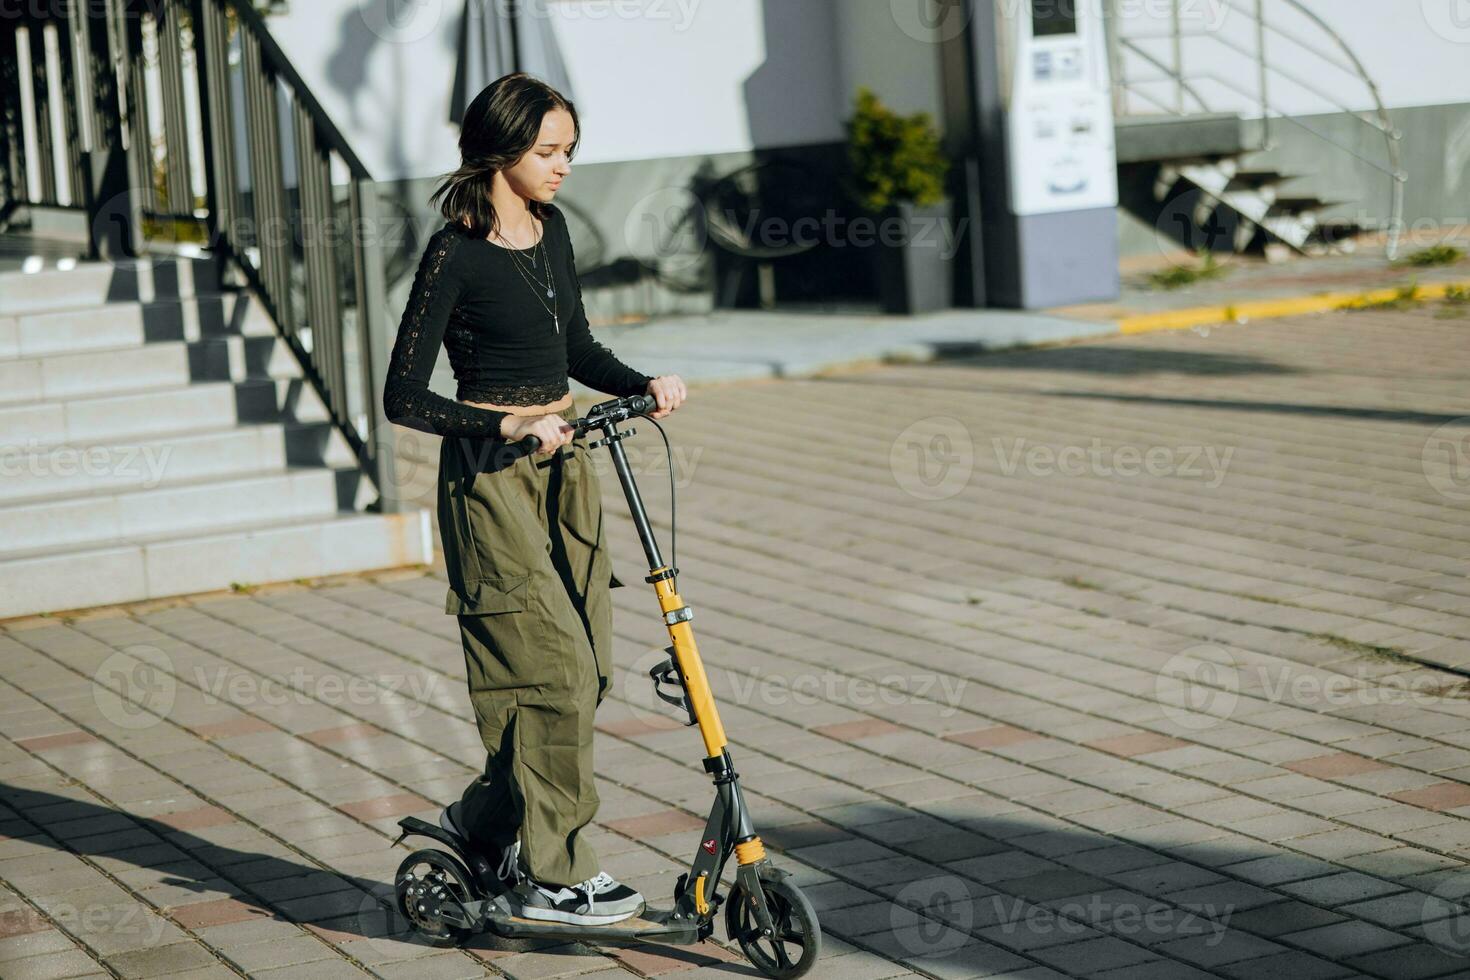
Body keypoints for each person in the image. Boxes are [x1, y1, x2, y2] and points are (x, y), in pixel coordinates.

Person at [381, 72, 687, 927]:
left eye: (569, 153)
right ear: (501, 149)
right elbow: (403, 395)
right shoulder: (455, 250)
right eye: (548, 152)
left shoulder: (549, 233)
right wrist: (507, 422)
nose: (563, 168)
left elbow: (576, 346)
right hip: (492, 480)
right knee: (546, 668)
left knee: (587, 664)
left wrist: (641, 384)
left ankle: (480, 823)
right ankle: (556, 872)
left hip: (567, 467)